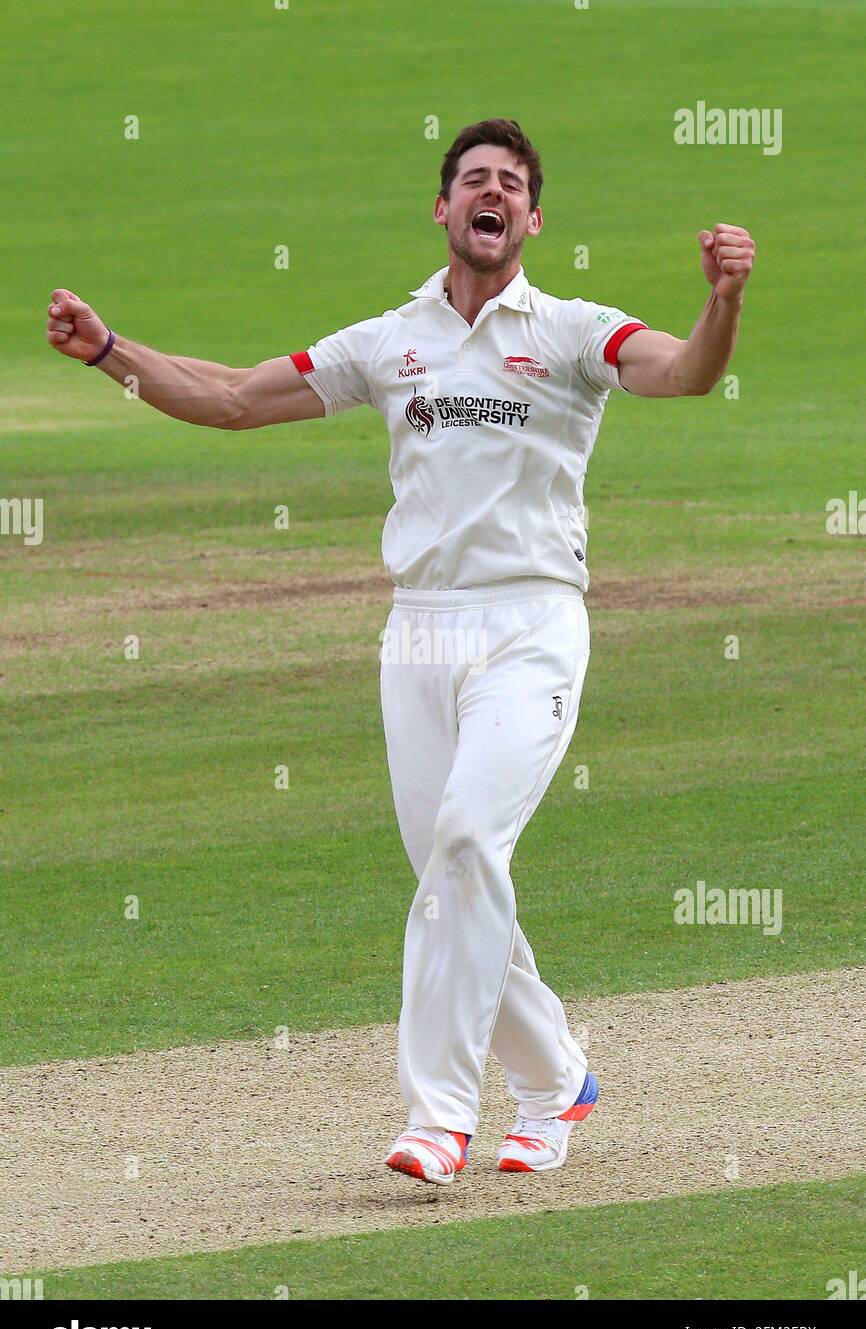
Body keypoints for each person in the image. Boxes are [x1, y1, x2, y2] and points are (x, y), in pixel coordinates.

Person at [46, 118, 755, 1185]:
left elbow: (684, 374)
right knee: (450, 874)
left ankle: (437, 1116)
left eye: (511, 183)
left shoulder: (570, 330)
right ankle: (558, 1076)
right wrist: (111, 353)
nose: (492, 192)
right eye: (473, 178)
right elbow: (236, 399)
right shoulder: (392, 340)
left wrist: (722, 302)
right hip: (417, 630)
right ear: (441, 208)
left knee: (468, 840)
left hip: (529, 622)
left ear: (531, 218)